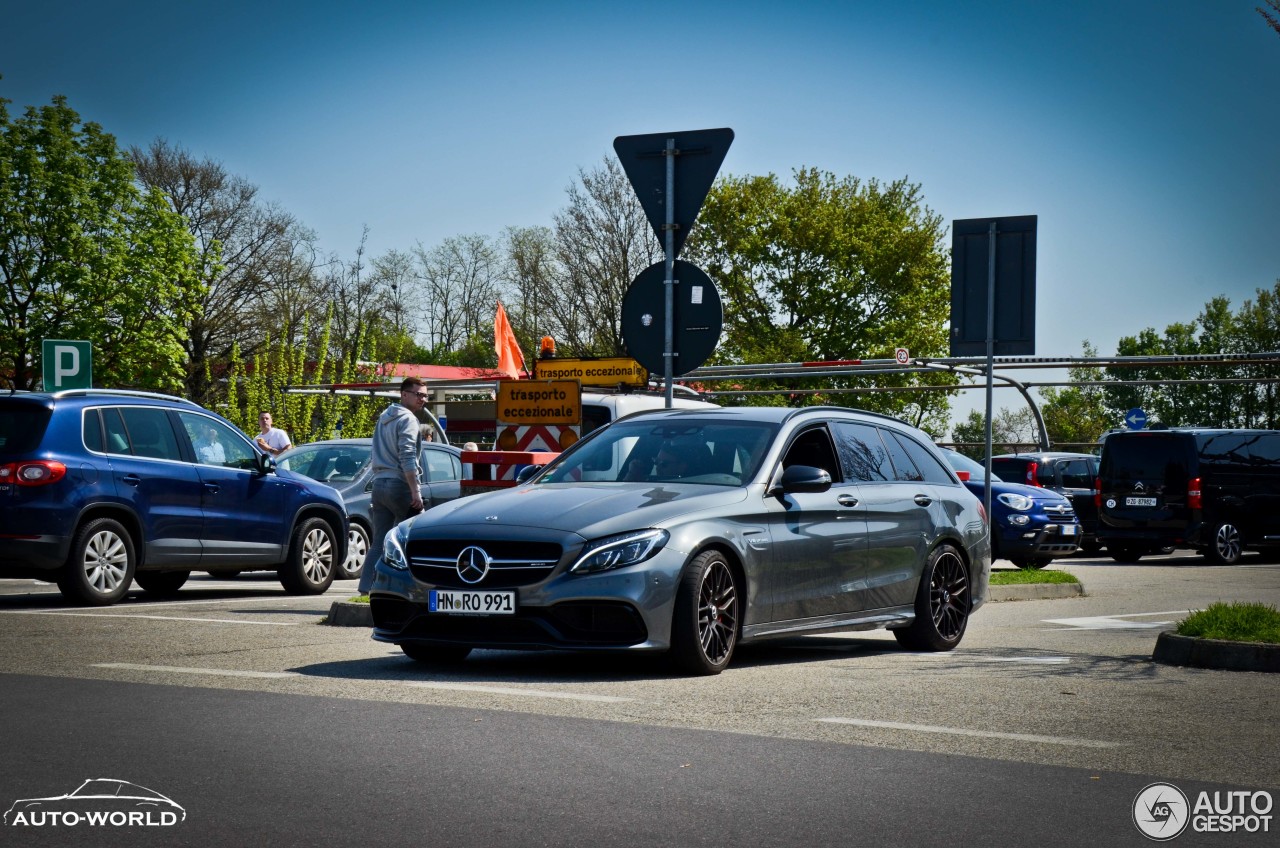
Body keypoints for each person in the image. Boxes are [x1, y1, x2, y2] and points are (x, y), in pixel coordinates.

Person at [358, 377, 427, 594]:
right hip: (399, 485)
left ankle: (365, 589)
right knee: (412, 539)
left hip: (379, 484)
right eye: (418, 394)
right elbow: (407, 457)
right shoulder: (408, 420)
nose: (422, 399)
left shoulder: (384, 418)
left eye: (425, 395)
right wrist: (416, 492)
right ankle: (409, 590)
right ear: (404, 394)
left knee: (379, 542)